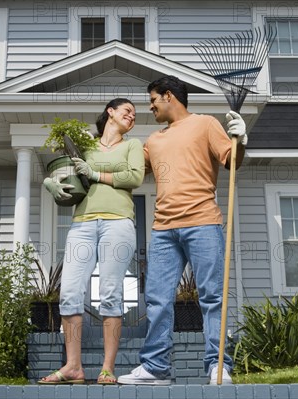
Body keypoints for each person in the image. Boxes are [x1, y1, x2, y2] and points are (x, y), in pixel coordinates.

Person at [117, 76, 246, 386]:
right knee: (158, 299)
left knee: (212, 297)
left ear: (169, 96)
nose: (149, 106)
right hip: (163, 229)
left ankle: (217, 366)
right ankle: (156, 367)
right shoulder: (154, 140)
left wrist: (240, 139)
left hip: (203, 222)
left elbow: (232, 161)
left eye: (153, 99)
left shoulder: (205, 124)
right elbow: (130, 173)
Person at [39, 98, 145, 385]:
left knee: (110, 293)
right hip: (83, 224)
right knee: (70, 293)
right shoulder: (85, 146)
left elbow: (135, 176)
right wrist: (50, 183)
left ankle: (107, 368)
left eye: (135, 115)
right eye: (127, 111)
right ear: (110, 112)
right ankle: (73, 366)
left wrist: (95, 173)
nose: (132, 116)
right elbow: (61, 171)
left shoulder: (132, 146)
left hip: (118, 223)